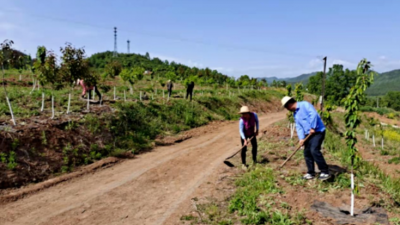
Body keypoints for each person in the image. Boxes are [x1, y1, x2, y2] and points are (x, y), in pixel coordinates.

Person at [281, 96, 331, 180]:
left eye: (286, 107)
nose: (287, 109)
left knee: (314, 150)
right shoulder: (295, 114)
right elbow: (299, 126)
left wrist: (312, 127)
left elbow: (314, 114)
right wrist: (301, 138)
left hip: (318, 131)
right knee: (307, 152)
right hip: (308, 134)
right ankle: (311, 173)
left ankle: (325, 172)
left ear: (289, 104)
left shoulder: (304, 105)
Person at [239, 106, 259, 170]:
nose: (244, 115)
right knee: (244, 148)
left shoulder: (254, 115)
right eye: (243, 114)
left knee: (255, 146)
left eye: (245, 114)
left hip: (252, 133)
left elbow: (257, 122)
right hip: (244, 134)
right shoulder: (242, 120)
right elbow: (241, 131)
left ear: (248, 113)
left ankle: (254, 160)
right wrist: (244, 140)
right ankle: (243, 164)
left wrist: (257, 130)